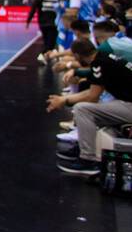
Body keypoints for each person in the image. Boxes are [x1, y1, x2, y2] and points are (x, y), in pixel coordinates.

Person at [53, 38, 132, 176]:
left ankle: (88, 160)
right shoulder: (106, 58)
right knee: (97, 110)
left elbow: (92, 96)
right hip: (126, 102)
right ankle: (86, 145)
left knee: (82, 109)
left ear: (77, 55)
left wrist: (64, 101)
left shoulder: (99, 62)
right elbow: (93, 77)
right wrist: (76, 72)